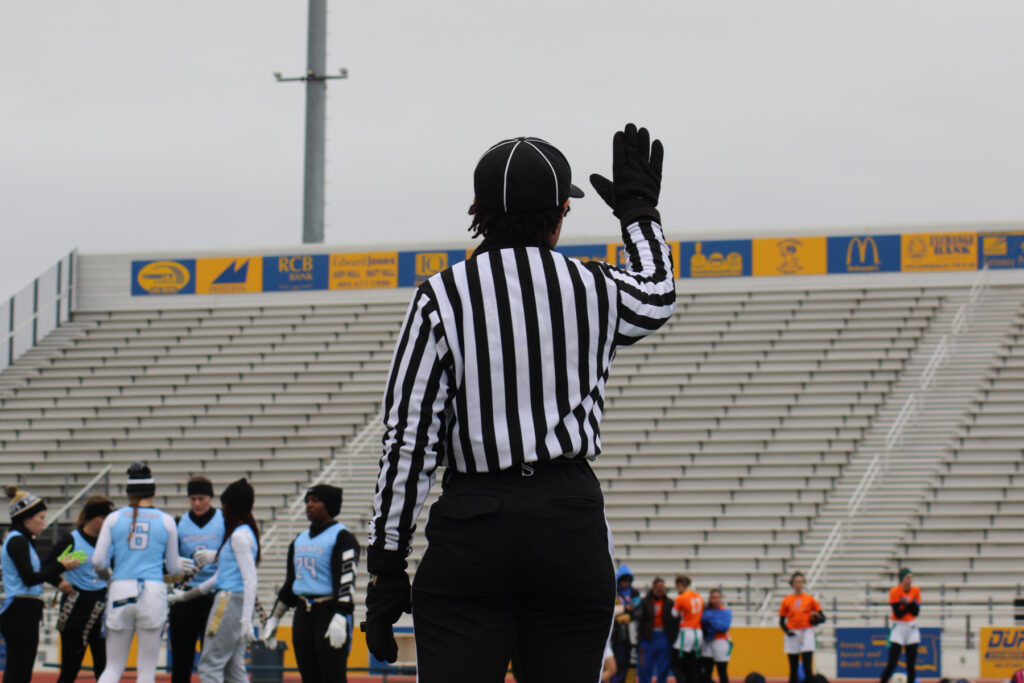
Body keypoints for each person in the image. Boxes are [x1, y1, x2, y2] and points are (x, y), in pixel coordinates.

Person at [363, 123, 676, 683]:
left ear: (478, 209)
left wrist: (387, 565)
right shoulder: (593, 287)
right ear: (561, 214)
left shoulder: (442, 296)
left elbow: (409, 438)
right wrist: (637, 215)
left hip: (475, 525)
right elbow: (656, 295)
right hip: (568, 521)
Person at [93, 463, 193, 683]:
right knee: (146, 670)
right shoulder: (166, 521)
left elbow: (98, 561)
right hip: (152, 591)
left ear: (129, 492)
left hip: (120, 589)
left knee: (112, 667)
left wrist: (110, 579)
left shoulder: (113, 519)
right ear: (153, 492)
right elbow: (175, 569)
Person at [264, 485, 361, 683]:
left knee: (332, 676)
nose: (309, 505)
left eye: (315, 501)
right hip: (302, 613)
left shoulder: (343, 537)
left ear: (329, 505)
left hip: (329, 612)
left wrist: (341, 614)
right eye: (308, 501)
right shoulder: (299, 540)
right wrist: (274, 618)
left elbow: (347, 580)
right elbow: (291, 583)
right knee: (308, 675)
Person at [172, 478, 259, 683]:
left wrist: (247, 619)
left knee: (210, 665)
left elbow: (250, 579)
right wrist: (185, 596)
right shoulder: (245, 533)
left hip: (226, 601)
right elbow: (221, 575)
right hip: (231, 600)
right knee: (234, 667)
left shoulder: (237, 536)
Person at [1, 486, 82, 683]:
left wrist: (57, 568)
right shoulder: (18, 541)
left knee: (21, 667)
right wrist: (60, 566)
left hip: (24, 609)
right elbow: (30, 578)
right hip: (20, 609)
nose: (44, 523)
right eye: (41, 517)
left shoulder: (23, 541)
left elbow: (34, 576)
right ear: (26, 518)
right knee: (19, 668)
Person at [43, 495, 115, 683]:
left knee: (105, 667)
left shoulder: (109, 542)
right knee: (70, 668)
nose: (109, 523)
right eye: (105, 518)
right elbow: (46, 567)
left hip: (102, 607)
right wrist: (59, 583)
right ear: (92, 518)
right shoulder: (72, 541)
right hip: (75, 608)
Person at [169, 476, 225, 683]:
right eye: (192, 499)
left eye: (201, 498)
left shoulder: (223, 520)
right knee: (181, 662)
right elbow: (167, 561)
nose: (197, 504)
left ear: (210, 498)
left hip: (213, 595)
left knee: (212, 660)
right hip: (185, 595)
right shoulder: (179, 523)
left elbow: (236, 555)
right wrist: (175, 562)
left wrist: (217, 555)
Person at [779, 571, 824, 683]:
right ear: (792, 584)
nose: (798, 584)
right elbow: (781, 621)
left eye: (800, 582)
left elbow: (822, 617)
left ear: (803, 583)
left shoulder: (810, 599)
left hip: (806, 632)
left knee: (807, 666)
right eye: (796, 582)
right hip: (793, 632)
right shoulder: (787, 600)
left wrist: (816, 619)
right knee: (793, 667)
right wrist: (787, 631)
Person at [880, 568, 922, 683]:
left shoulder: (916, 590)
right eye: (907, 577)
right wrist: (910, 605)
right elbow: (898, 613)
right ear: (901, 579)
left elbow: (916, 612)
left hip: (911, 628)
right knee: (892, 663)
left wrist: (905, 605)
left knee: (911, 665)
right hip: (898, 628)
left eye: (911, 577)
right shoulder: (894, 591)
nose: (909, 580)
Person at [635, 577, 678, 683]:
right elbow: (638, 617)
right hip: (648, 637)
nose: (660, 590)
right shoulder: (645, 601)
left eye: (662, 587)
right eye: (658, 587)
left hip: (664, 637)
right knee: (645, 667)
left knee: (663, 667)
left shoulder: (669, 602)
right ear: (653, 588)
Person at [611, 564, 641, 683]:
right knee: (618, 662)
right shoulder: (614, 592)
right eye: (623, 580)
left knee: (630, 663)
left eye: (627, 580)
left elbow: (639, 611)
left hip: (632, 633)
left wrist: (630, 616)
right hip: (617, 633)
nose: (625, 582)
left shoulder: (634, 593)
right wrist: (620, 617)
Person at [672, 574, 704, 683]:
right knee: (692, 662)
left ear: (681, 584)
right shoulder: (699, 596)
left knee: (676, 662)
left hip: (686, 632)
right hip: (698, 632)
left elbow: (674, 614)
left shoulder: (681, 597)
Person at [700, 588, 732, 683]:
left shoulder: (726, 611)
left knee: (722, 671)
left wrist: (710, 620)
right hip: (707, 642)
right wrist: (714, 622)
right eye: (713, 598)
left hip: (721, 641)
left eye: (718, 597)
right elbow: (703, 624)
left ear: (721, 599)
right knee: (706, 672)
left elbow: (724, 627)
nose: (716, 600)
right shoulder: (706, 611)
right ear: (710, 599)